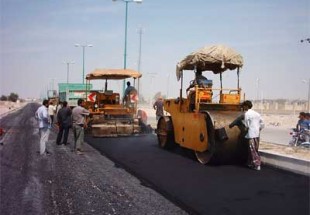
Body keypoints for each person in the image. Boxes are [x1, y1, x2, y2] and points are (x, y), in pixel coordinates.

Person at [229, 100, 264, 171]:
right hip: (257, 134)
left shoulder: (246, 114)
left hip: (251, 134)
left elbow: (238, 120)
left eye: (244, 106)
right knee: (255, 149)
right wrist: (259, 129)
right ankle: (250, 163)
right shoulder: (257, 114)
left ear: (246, 106)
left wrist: (231, 125)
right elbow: (262, 123)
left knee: (252, 149)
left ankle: (257, 165)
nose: (243, 107)